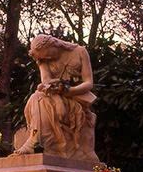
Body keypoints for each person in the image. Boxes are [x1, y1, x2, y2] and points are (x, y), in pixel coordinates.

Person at [14, 34, 98, 163]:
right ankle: (37, 140)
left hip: (75, 98)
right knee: (37, 98)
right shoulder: (42, 59)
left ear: (54, 44)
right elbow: (47, 81)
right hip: (53, 95)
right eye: (44, 57)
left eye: (48, 54)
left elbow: (88, 83)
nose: (47, 58)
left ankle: (39, 142)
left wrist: (69, 91)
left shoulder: (80, 51)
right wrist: (58, 98)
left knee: (40, 99)